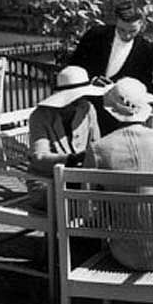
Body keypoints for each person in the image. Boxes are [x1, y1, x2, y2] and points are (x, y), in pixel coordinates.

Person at [83, 77, 153, 271]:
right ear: (146, 108)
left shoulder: (98, 149)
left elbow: (87, 209)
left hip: (125, 253)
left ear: (111, 111)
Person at [27, 66, 109, 210]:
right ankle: (80, 231)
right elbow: (39, 157)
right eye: (76, 99)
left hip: (81, 180)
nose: (79, 102)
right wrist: (72, 159)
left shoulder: (87, 109)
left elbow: (97, 144)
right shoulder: (40, 116)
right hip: (47, 183)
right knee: (95, 204)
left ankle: (87, 229)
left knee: (114, 197)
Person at [68, 0, 153, 89]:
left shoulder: (146, 49)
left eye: (133, 31)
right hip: (88, 95)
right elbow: (74, 66)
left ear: (141, 24)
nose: (127, 35)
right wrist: (92, 80)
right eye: (121, 30)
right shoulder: (95, 35)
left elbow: (145, 84)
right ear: (116, 21)